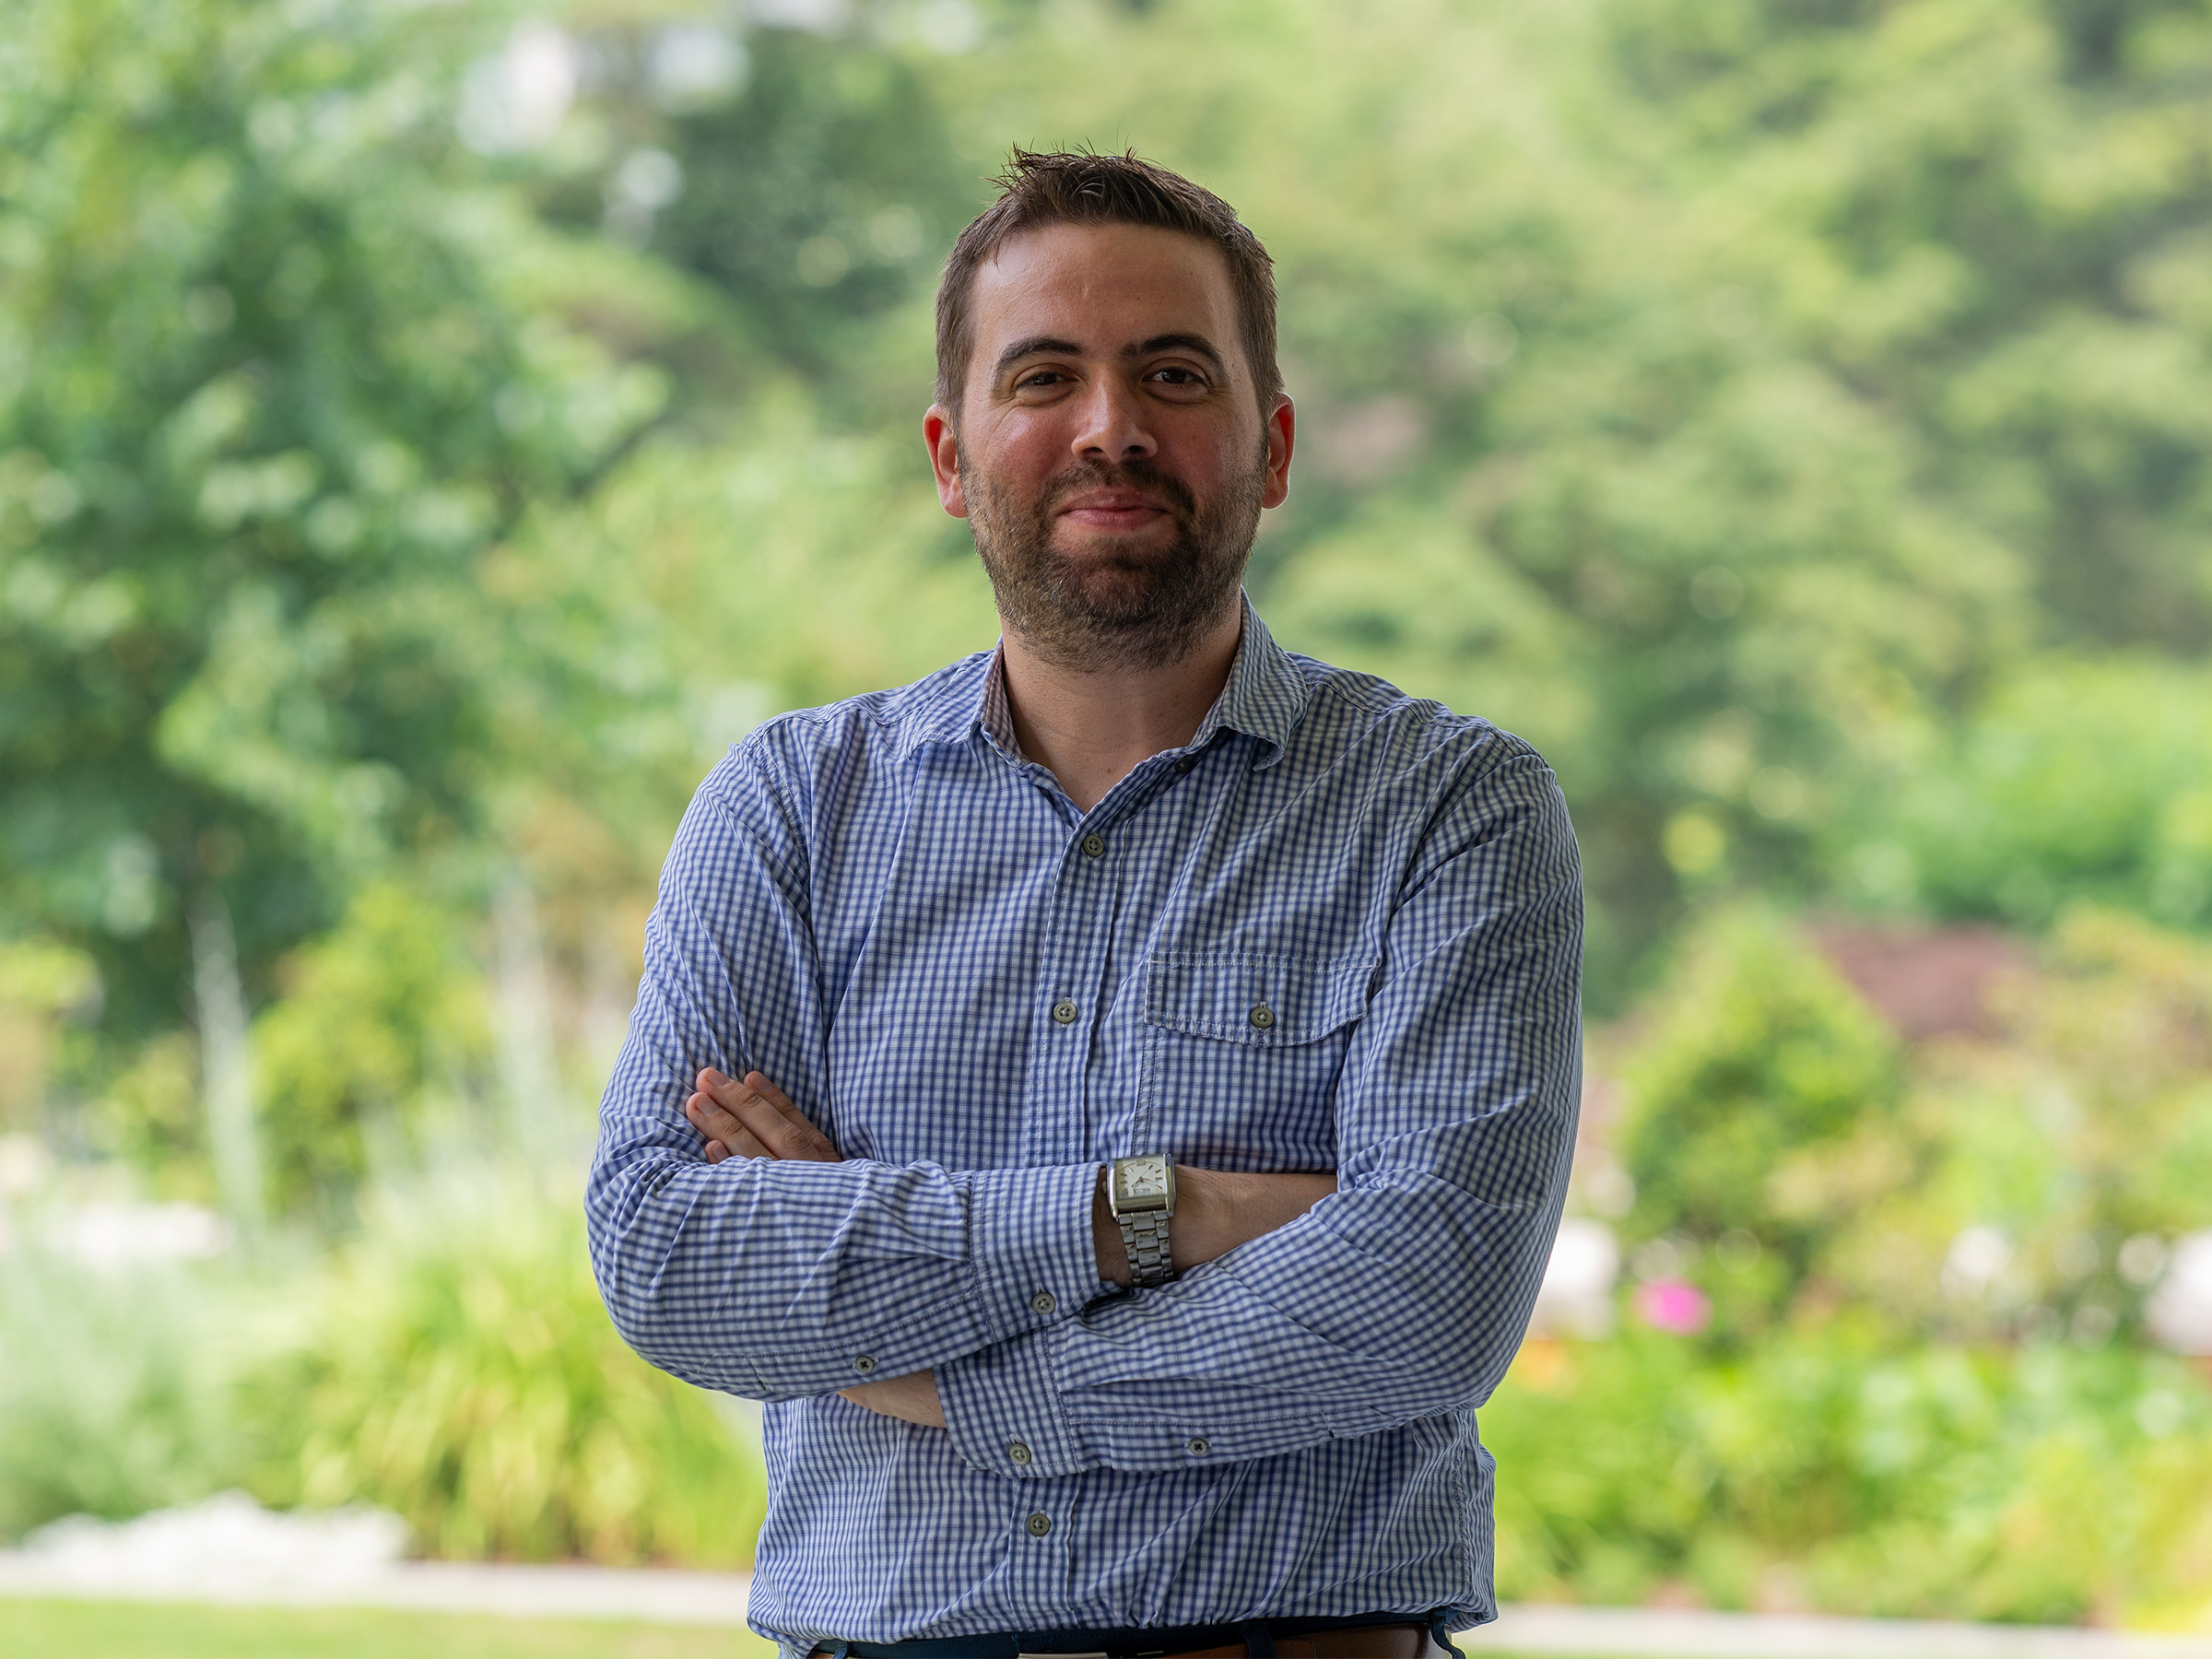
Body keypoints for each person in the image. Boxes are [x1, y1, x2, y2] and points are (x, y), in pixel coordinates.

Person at [588, 148, 1583, 1659]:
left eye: (1175, 375)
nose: (1111, 429)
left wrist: (919, 1356)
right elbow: (671, 1256)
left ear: (1273, 448)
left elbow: (1429, 1294)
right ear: (949, 454)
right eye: (1044, 374)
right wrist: (1158, 1215)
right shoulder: (789, 810)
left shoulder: (1452, 812)